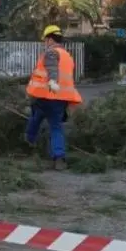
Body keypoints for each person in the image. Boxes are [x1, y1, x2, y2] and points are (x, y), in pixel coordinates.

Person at [25, 25, 83, 170]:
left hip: (46, 95)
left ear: (50, 39)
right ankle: (59, 157)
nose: (45, 43)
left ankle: (28, 143)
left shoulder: (51, 53)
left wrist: (52, 82)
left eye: (45, 40)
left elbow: (52, 70)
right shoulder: (67, 56)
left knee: (35, 119)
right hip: (61, 99)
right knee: (55, 126)